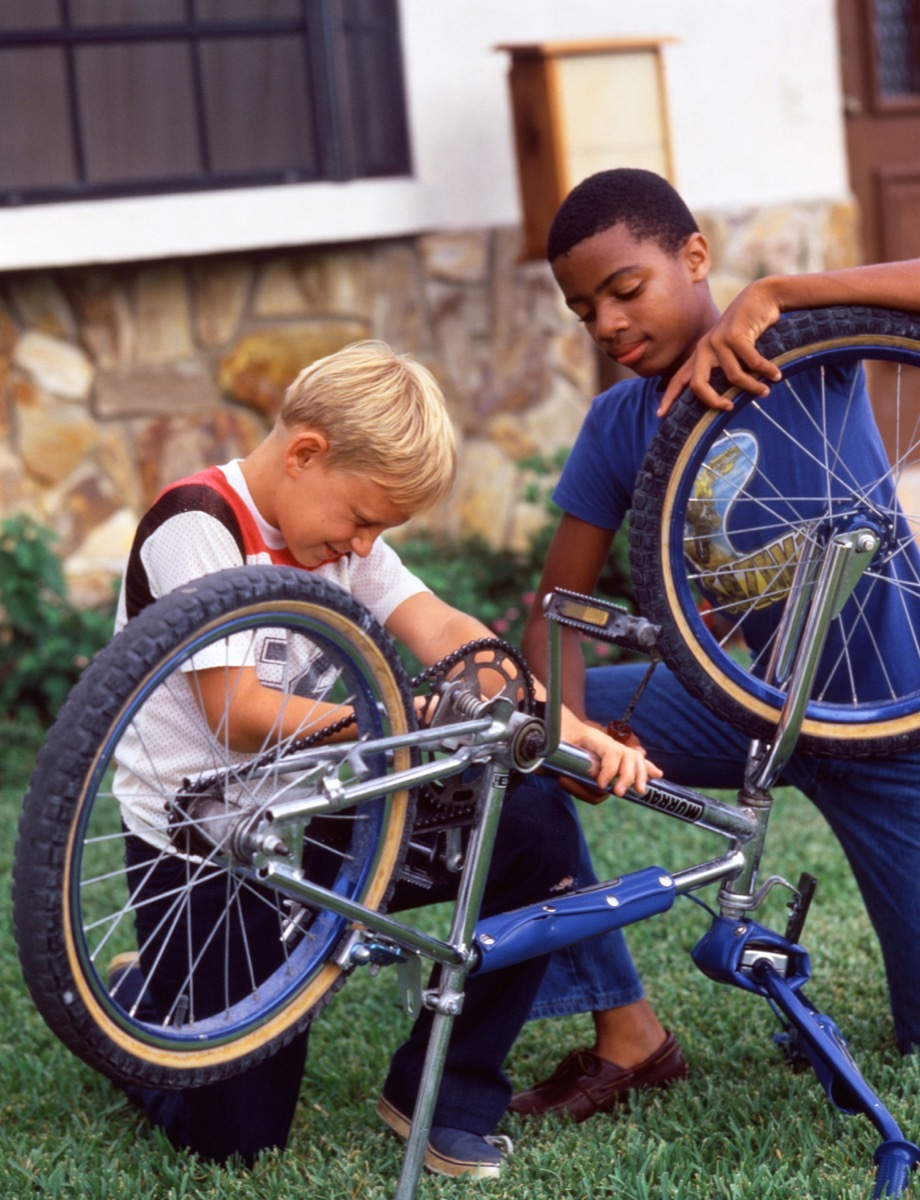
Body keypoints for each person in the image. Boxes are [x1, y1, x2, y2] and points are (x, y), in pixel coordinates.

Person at [108, 338, 666, 1179]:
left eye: (379, 531)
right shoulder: (196, 526)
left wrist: (566, 726)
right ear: (305, 455)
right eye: (362, 519)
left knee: (532, 827)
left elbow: (444, 630)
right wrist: (408, 719)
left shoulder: (342, 540)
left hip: (324, 807)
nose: (363, 544)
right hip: (206, 840)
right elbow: (239, 714)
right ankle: (135, 1001)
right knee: (236, 1139)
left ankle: (444, 1095)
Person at [509, 167, 920, 1123]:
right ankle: (629, 1033)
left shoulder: (800, 349)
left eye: (626, 289)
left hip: (888, 722)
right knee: (505, 736)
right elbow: (557, 603)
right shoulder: (617, 426)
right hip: (733, 702)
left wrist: (776, 292)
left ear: (694, 258)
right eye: (583, 311)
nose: (608, 324)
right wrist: (563, 719)